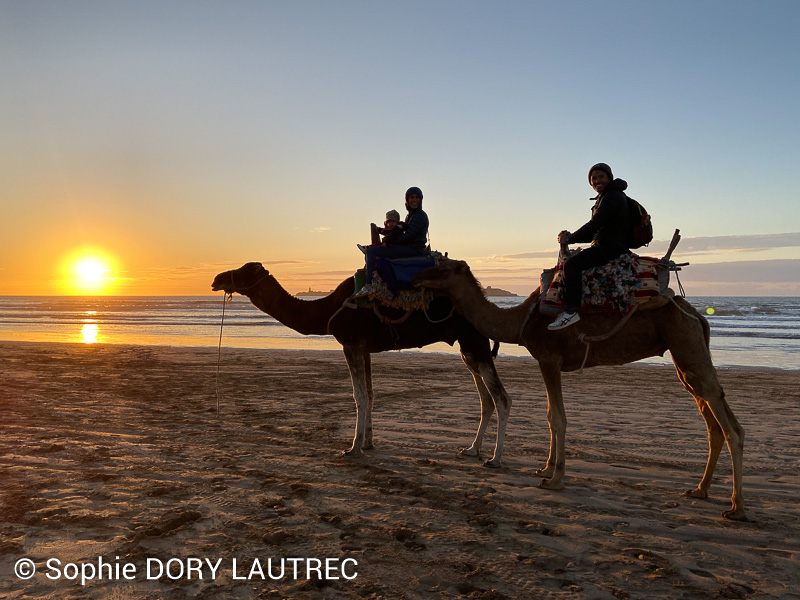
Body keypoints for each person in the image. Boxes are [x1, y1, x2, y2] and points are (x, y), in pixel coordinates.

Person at [548, 163, 630, 330]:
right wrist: (569, 239)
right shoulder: (605, 197)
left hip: (612, 246)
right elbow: (594, 232)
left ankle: (571, 311)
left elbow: (595, 224)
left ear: (609, 178)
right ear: (590, 183)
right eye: (594, 178)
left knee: (572, 265)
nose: (597, 180)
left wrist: (570, 238)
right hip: (606, 244)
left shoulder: (612, 196)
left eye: (601, 177)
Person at [355, 187, 429, 297]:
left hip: (413, 249)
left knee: (371, 252)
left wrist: (390, 242)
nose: (414, 200)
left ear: (421, 199)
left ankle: (369, 285)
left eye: (417, 197)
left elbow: (409, 236)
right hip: (410, 247)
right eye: (411, 197)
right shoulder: (411, 216)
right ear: (407, 200)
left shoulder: (419, 216)